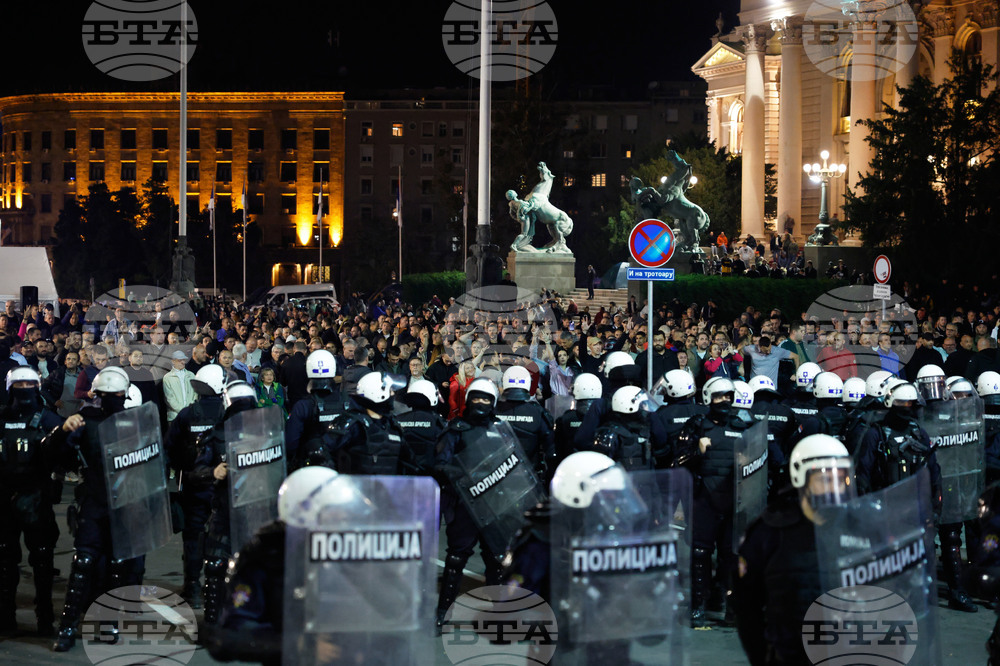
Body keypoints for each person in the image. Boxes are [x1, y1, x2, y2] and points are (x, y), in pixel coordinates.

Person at [733, 434, 855, 665]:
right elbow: (747, 607)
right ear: (801, 478)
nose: (834, 488)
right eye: (824, 479)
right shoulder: (769, 533)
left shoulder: (858, 529)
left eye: (840, 479)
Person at [201, 466, 341, 666]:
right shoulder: (264, 556)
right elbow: (233, 633)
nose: (344, 519)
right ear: (305, 511)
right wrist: (300, 645)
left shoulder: (351, 553)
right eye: (334, 512)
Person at [50, 367, 145, 651]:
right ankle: (68, 627)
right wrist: (62, 432)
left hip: (124, 502)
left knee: (115, 565)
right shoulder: (86, 422)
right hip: (94, 499)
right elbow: (59, 456)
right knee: (84, 563)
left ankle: (106, 623)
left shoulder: (136, 423)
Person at [189, 381, 261, 625]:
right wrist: (212, 472)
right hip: (225, 509)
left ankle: (247, 619)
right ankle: (213, 622)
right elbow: (195, 472)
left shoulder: (266, 434)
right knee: (215, 565)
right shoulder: (215, 436)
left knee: (255, 567)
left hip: (256, 510)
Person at [0, 367, 63, 635]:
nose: (25, 388)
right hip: (5, 498)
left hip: (37, 497)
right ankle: (6, 618)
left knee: (43, 560)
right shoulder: (2, 417)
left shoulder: (48, 418)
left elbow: (66, 454)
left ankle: (45, 618)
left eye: (29, 384)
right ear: (10, 387)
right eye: (20, 384)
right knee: (4, 561)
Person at [164, 364, 227, 609]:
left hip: (194, 484)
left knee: (193, 535)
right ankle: (219, 588)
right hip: (223, 484)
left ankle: (193, 588)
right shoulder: (229, 411)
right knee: (222, 536)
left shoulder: (187, 414)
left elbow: (170, 447)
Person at [284, 349, 349, 465]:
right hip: (345, 466)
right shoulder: (348, 401)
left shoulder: (303, 406)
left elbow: (290, 443)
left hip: (314, 466)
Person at [495, 365, 555, 479]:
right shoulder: (537, 411)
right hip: (529, 474)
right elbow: (549, 445)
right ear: (527, 383)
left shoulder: (494, 410)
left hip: (497, 475)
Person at [162, 350, 196, 424]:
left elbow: (195, 394)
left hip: (190, 415)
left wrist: (190, 409)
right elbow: (169, 398)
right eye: (180, 360)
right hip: (175, 417)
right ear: (173, 361)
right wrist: (183, 411)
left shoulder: (191, 375)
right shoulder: (167, 377)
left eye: (184, 360)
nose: (183, 362)